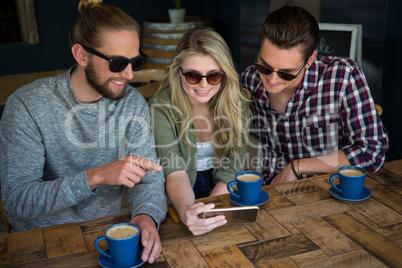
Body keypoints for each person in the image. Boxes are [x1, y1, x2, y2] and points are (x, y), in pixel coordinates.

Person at [0, 0, 166, 263]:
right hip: (42, 242)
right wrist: (96, 176)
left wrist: (146, 216)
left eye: (136, 61)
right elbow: (17, 200)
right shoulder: (26, 105)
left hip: (108, 234)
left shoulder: (132, 103)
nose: (130, 74)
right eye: (118, 62)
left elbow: (149, 177)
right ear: (81, 55)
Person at [241, 5, 389, 185]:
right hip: (270, 189)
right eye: (264, 66)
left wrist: (297, 168)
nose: (272, 79)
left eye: (286, 73)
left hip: (327, 190)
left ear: (310, 60)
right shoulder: (249, 79)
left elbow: (371, 152)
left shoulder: (343, 76)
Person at [148, 27, 250, 236]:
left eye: (213, 76)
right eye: (193, 75)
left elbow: (232, 167)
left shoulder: (237, 100)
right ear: (179, 72)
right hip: (178, 192)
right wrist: (187, 211)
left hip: (224, 186)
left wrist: (211, 209)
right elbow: (173, 169)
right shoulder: (161, 106)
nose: (204, 84)